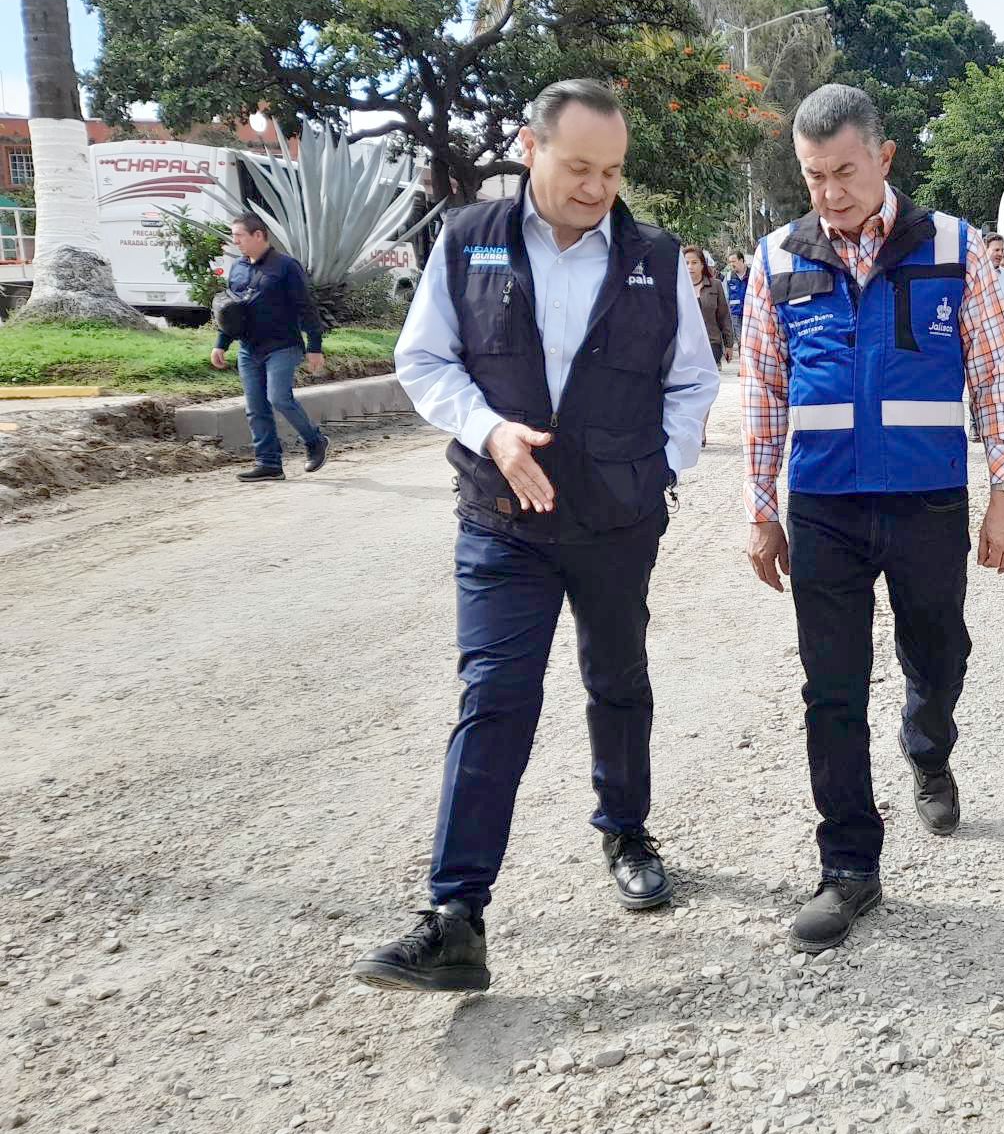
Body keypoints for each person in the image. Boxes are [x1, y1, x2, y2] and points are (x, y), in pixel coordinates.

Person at [350, 78, 719, 994]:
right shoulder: (468, 238)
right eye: (580, 167)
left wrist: (660, 469)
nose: (599, 188)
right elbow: (423, 359)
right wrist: (491, 430)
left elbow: (692, 381)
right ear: (530, 149)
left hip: (616, 520)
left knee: (616, 678)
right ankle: (456, 916)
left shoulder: (654, 256)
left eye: (613, 170)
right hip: (501, 518)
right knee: (496, 694)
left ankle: (626, 830)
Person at [741, 83, 1004, 955]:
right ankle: (849, 867)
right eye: (813, 176)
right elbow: (763, 389)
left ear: (885, 157)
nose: (829, 193)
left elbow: (994, 372)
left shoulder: (954, 247)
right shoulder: (777, 259)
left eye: (845, 172)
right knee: (830, 687)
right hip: (823, 507)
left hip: (926, 499)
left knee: (939, 648)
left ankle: (928, 745)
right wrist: (760, 510)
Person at [209, 213, 330, 481]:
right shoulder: (238, 268)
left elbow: (306, 307)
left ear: (259, 235)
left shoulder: (286, 266)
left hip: (283, 346)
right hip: (249, 349)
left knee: (278, 398)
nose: (235, 241)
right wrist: (221, 344)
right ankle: (269, 464)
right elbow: (231, 311)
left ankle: (314, 441)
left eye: (239, 235)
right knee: (255, 407)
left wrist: (314, 346)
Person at [688, 247, 737, 366]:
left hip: (711, 344)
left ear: (702, 265)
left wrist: (728, 345)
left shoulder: (715, 285)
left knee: (707, 381)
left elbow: (724, 317)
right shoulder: (678, 287)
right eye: (686, 263)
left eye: (694, 263)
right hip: (686, 346)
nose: (690, 267)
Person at [724, 250, 749, 330]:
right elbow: (725, 297)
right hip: (735, 315)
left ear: (741, 260)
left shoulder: (752, 274)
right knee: (739, 341)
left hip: (751, 314)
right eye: (730, 262)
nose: (731, 264)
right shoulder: (728, 277)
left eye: (733, 261)